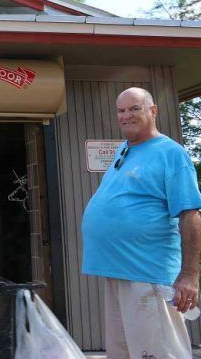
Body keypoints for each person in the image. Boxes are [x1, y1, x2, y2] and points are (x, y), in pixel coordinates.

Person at [81, 87, 201, 359]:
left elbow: (190, 214)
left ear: (153, 111)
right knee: (122, 353)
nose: (126, 116)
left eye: (134, 108)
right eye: (121, 110)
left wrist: (190, 276)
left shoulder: (171, 153)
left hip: (147, 273)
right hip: (117, 271)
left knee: (158, 353)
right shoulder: (124, 150)